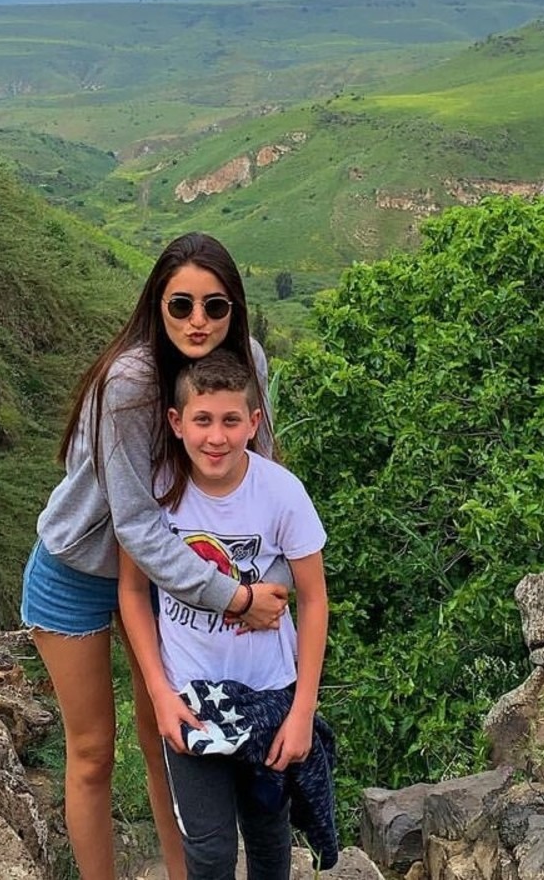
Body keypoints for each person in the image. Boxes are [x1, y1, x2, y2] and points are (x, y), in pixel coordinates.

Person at [21, 233, 290, 880]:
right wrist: (234, 597)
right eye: (181, 305)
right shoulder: (130, 382)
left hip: (171, 578)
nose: (198, 321)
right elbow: (136, 526)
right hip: (79, 571)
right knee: (93, 752)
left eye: (215, 306)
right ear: (156, 305)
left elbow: (260, 480)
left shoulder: (247, 363)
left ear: (234, 309)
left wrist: (269, 579)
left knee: (168, 740)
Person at [118, 349, 334, 880]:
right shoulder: (157, 492)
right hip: (190, 696)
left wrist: (303, 710)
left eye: (231, 421)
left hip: (270, 692)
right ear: (177, 423)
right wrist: (160, 694)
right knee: (210, 851)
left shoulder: (281, 492)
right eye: (203, 420)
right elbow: (133, 592)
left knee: (268, 837)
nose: (216, 437)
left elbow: (314, 598)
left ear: (254, 422)